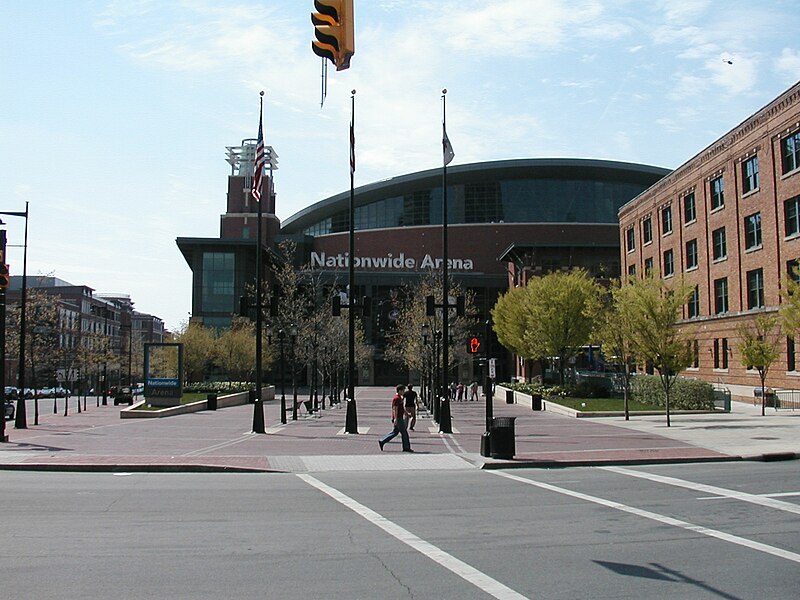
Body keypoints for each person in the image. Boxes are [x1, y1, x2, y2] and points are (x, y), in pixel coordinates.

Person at [379, 384, 413, 452]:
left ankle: (382, 441)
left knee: (395, 432)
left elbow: (402, 408)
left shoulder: (400, 398)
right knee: (404, 433)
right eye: (403, 390)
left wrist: (407, 413)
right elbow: (395, 409)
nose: (404, 392)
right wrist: (395, 419)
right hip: (398, 418)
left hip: (399, 417)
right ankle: (406, 447)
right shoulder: (397, 398)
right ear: (400, 391)